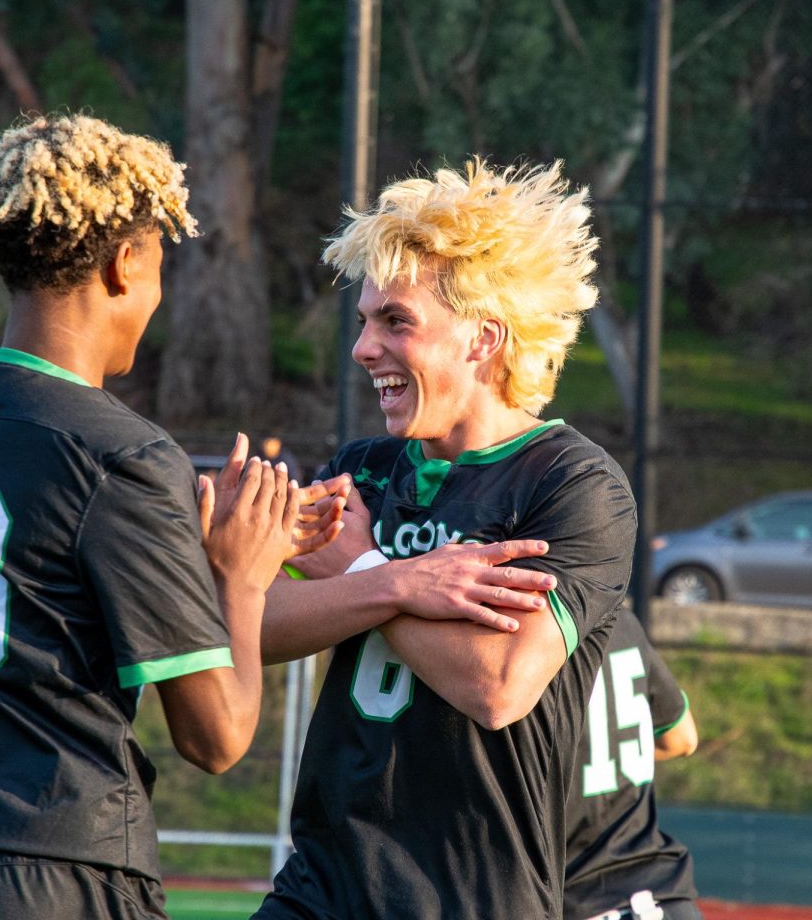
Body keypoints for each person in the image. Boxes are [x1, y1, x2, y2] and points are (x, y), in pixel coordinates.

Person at [0, 113, 341, 920]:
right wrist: (239, 578)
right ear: (123, 262)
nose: (159, 293)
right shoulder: (124, 455)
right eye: (160, 263)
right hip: (45, 870)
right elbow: (216, 737)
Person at [253, 158, 638, 919]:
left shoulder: (573, 485)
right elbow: (251, 626)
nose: (364, 348)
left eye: (395, 321)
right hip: (322, 887)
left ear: (483, 339)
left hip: (470, 897)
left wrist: (364, 570)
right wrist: (398, 581)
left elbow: (496, 685)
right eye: (364, 321)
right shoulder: (362, 471)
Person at [565, 607, 700, 920]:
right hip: (666, 899)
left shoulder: (514, 643)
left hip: (585, 902)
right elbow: (682, 740)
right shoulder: (619, 618)